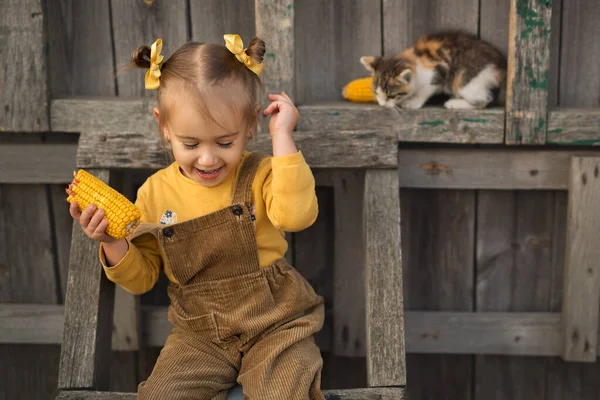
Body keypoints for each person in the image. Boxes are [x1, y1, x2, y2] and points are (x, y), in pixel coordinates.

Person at [68, 34, 325, 400]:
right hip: (200, 333)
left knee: (284, 392)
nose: (207, 159)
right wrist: (112, 242)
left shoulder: (265, 173)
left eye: (225, 143)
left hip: (276, 322)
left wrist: (282, 137)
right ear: (164, 126)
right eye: (190, 145)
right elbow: (143, 278)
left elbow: (297, 216)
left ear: (250, 125)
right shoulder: (154, 194)